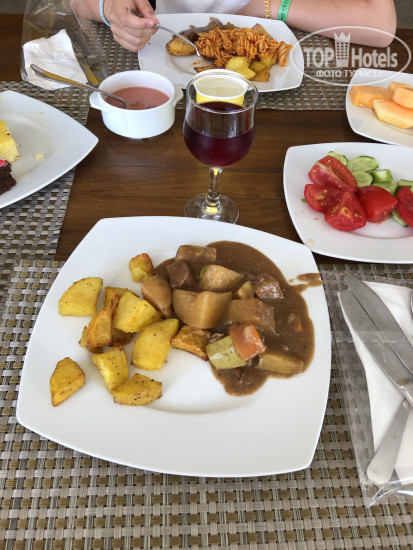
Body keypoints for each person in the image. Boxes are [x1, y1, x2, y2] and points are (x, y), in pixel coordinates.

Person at [78, 0, 397, 51]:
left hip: (293, 60)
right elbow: (73, 3)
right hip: (163, 51)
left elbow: (379, 22)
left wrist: (269, 6)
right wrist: (109, 7)